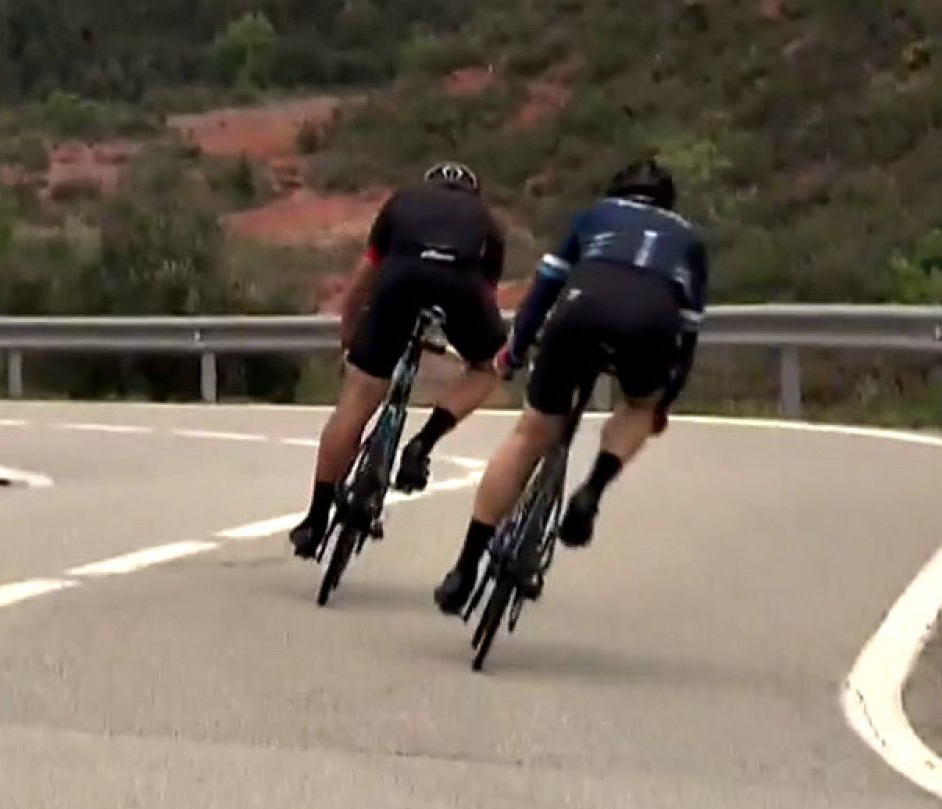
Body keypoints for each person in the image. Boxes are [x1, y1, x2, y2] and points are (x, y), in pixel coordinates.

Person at [432, 157, 709, 615]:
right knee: (640, 407)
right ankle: (592, 490)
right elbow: (688, 333)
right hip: (651, 322)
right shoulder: (690, 241)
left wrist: (515, 351)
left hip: (582, 311)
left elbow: (544, 289)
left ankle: (463, 570)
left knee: (528, 436)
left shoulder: (595, 215)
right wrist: (662, 403)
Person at [289, 161, 509, 560]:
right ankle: (421, 445)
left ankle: (315, 519)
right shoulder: (487, 223)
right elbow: (485, 296)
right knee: (485, 369)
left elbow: (363, 279)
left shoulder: (401, 204)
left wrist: (350, 337)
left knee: (355, 403)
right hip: (459, 288)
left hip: (400, 283)